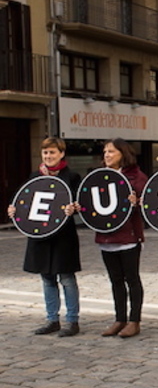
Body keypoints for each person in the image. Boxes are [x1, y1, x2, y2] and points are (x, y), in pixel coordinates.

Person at [8, 138, 83, 337]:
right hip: (40, 235)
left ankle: (72, 321)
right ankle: (52, 319)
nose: (48, 156)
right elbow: (23, 200)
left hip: (63, 236)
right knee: (47, 278)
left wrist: (74, 207)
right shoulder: (35, 176)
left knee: (66, 277)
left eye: (52, 152)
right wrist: (14, 209)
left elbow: (80, 202)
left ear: (61, 154)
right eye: (45, 153)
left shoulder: (72, 176)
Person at [98, 138, 148, 338]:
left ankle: (134, 321)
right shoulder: (101, 176)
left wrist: (138, 202)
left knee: (132, 279)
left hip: (128, 236)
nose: (107, 155)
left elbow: (149, 205)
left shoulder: (136, 176)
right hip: (106, 237)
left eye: (111, 151)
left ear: (123, 153)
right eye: (105, 152)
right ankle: (120, 319)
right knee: (115, 280)